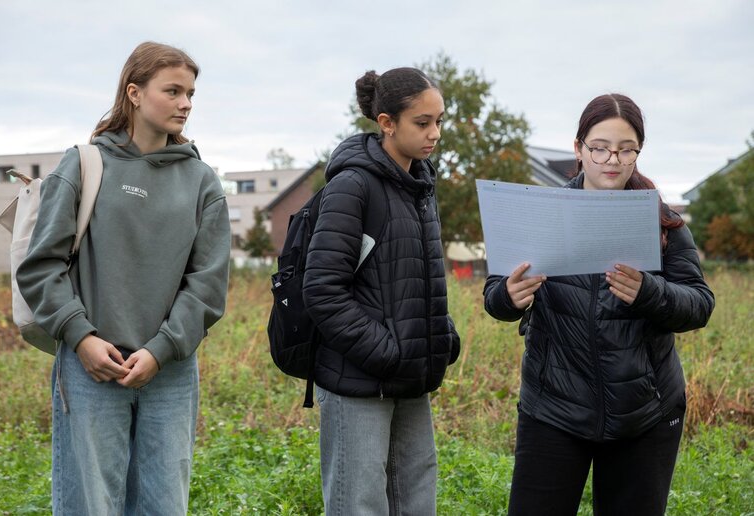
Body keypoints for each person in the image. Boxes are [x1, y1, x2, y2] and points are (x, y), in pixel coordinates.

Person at [17, 41, 230, 515]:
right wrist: (82, 338)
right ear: (134, 92)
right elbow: (42, 266)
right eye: (172, 91)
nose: (186, 104)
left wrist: (161, 350)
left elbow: (208, 285)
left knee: (163, 506)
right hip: (91, 365)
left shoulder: (202, 181)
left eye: (191, 93)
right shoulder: (84, 164)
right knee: (88, 505)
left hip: (170, 370)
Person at [483, 93, 715, 515]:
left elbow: (700, 304)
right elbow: (495, 294)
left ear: (638, 153)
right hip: (552, 408)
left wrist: (651, 292)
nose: (613, 159)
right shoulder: (542, 214)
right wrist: (508, 296)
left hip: (645, 412)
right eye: (601, 147)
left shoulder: (662, 221)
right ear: (579, 148)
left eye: (627, 150)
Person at [302, 68, 460, 515]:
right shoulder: (353, 185)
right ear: (387, 123)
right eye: (423, 123)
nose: (435, 133)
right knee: (360, 503)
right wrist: (388, 352)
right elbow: (323, 291)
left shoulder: (421, 186)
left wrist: (440, 337)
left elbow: (417, 277)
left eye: (440, 121)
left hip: (410, 378)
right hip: (360, 379)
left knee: (416, 498)